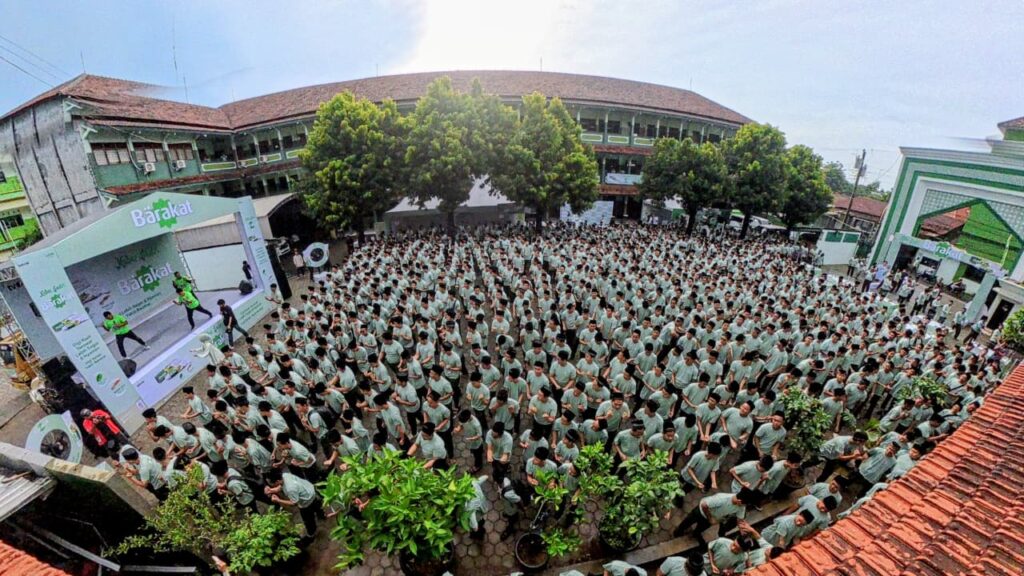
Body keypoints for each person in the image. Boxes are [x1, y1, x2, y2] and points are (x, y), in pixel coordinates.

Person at [263, 469, 321, 537]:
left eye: (272, 483)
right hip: (310, 489)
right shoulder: (285, 475)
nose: (271, 485)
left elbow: (294, 503)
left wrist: (278, 500)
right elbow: (281, 486)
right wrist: (271, 490)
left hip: (306, 501)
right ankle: (322, 515)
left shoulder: (290, 489)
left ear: (277, 481)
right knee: (318, 506)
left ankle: (312, 532)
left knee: (308, 520)